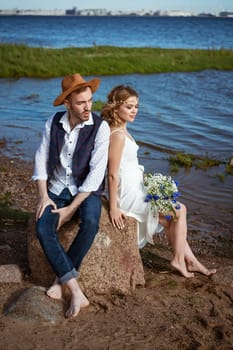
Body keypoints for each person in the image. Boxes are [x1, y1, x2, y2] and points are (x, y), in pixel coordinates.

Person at [101, 84, 216, 279]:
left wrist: (151, 185)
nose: (134, 111)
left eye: (136, 106)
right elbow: (112, 174)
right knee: (180, 210)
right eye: (129, 106)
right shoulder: (118, 135)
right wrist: (113, 207)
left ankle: (191, 261)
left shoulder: (122, 130)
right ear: (116, 107)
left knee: (171, 219)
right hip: (128, 194)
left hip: (137, 188)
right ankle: (179, 260)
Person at [32, 73, 110, 318]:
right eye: (81, 103)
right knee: (43, 228)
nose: (88, 107)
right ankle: (75, 290)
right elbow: (40, 160)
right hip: (55, 189)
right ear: (67, 104)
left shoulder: (100, 127)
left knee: (90, 223)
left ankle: (60, 279)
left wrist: (71, 208)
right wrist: (44, 196)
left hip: (85, 191)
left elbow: (97, 174)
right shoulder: (53, 122)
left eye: (90, 101)